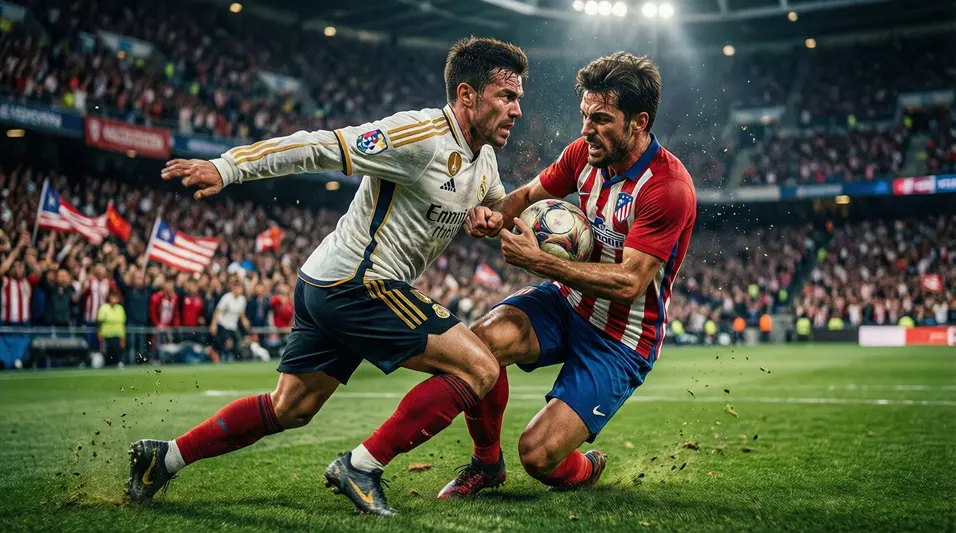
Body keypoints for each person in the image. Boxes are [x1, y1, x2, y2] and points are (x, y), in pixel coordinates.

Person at [126, 36, 528, 517]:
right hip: (359, 282)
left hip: (326, 282)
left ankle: (162, 457)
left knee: (289, 408)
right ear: (466, 95)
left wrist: (485, 219)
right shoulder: (418, 136)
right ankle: (362, 466)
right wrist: (227, 167)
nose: (517, 110)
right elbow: (317, 147)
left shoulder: (483, 157)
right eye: (506, 97)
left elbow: (487, 205)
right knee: (479, 366)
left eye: (519, 98)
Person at [439, 52, 696, 498]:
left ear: (639, 122)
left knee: (538, 456)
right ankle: (485, 464)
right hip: (565, 303)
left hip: (621, 339)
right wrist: (491, 216)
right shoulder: (583, 155)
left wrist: (540, 262)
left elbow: (631, 282)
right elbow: (524, 195)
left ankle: (585, 468)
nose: (585, 130)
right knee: (476, 349)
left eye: (600, 119)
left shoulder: (667, 187)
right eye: (584, 116)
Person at [209, 277, 249, 361]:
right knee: (228, 343)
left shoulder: (242, 299)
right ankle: (224, 358)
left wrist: (245, 321)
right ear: (233, 288)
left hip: (233, 326)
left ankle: (232, 358)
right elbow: (217, 311)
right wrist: (214, 324)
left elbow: (241, 313)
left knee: (239, 344)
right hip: (223, 325)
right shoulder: (226, 297)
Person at [97, 290, 126, 366]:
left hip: (117, 334)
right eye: (112, 297)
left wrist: (123, 336)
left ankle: (117, 363)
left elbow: (121, 323)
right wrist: (99, 333)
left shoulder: (120, 308)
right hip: (107, 335)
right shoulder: (104, 308)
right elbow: (100, 322)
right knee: (107, 352)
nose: (114, 299)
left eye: (116, 298)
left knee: (117, 351)